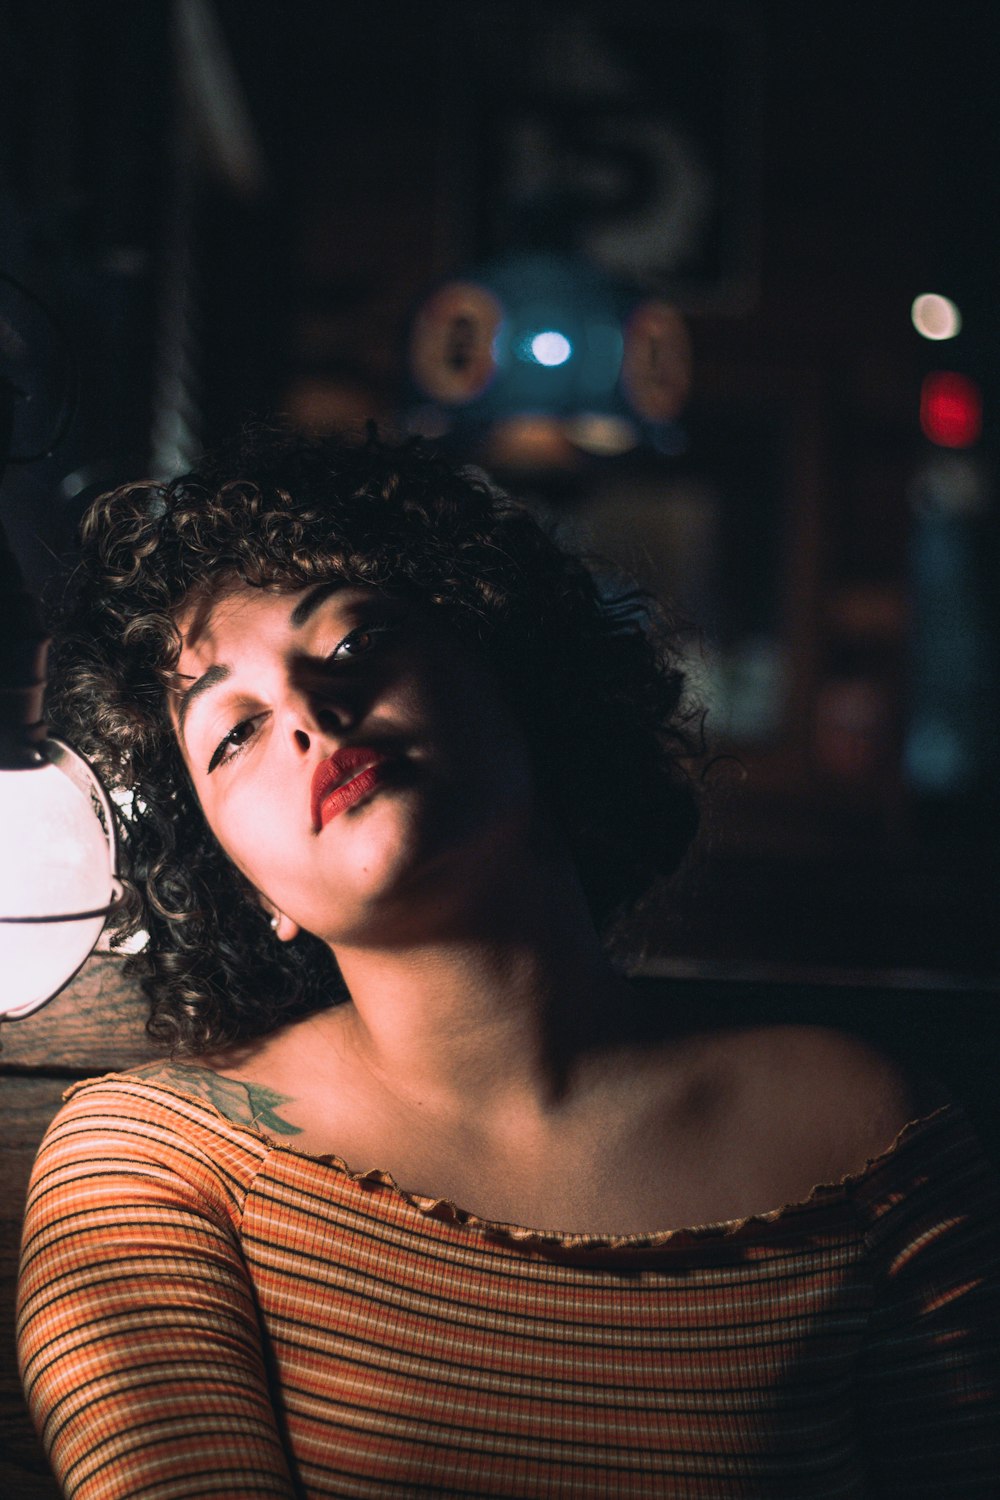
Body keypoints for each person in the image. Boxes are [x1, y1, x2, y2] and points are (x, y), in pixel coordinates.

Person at [17, 428, 999, 1498]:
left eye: (349, 647)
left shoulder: (864, 1132)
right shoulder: (162, 1166)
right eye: (234, 733)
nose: (306, 713)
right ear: (245, 885)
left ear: (518, 684)